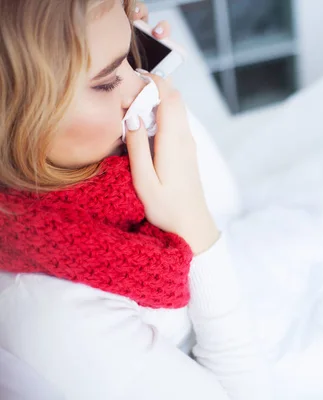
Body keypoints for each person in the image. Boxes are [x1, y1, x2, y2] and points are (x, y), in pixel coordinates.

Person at [0, 1, 272, 399]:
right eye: (107, 81)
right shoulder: (55, 322)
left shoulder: (112, 165)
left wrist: (157, 99)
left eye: (131, 57)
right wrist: (193, 224)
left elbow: (231, 206)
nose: (143, 85)